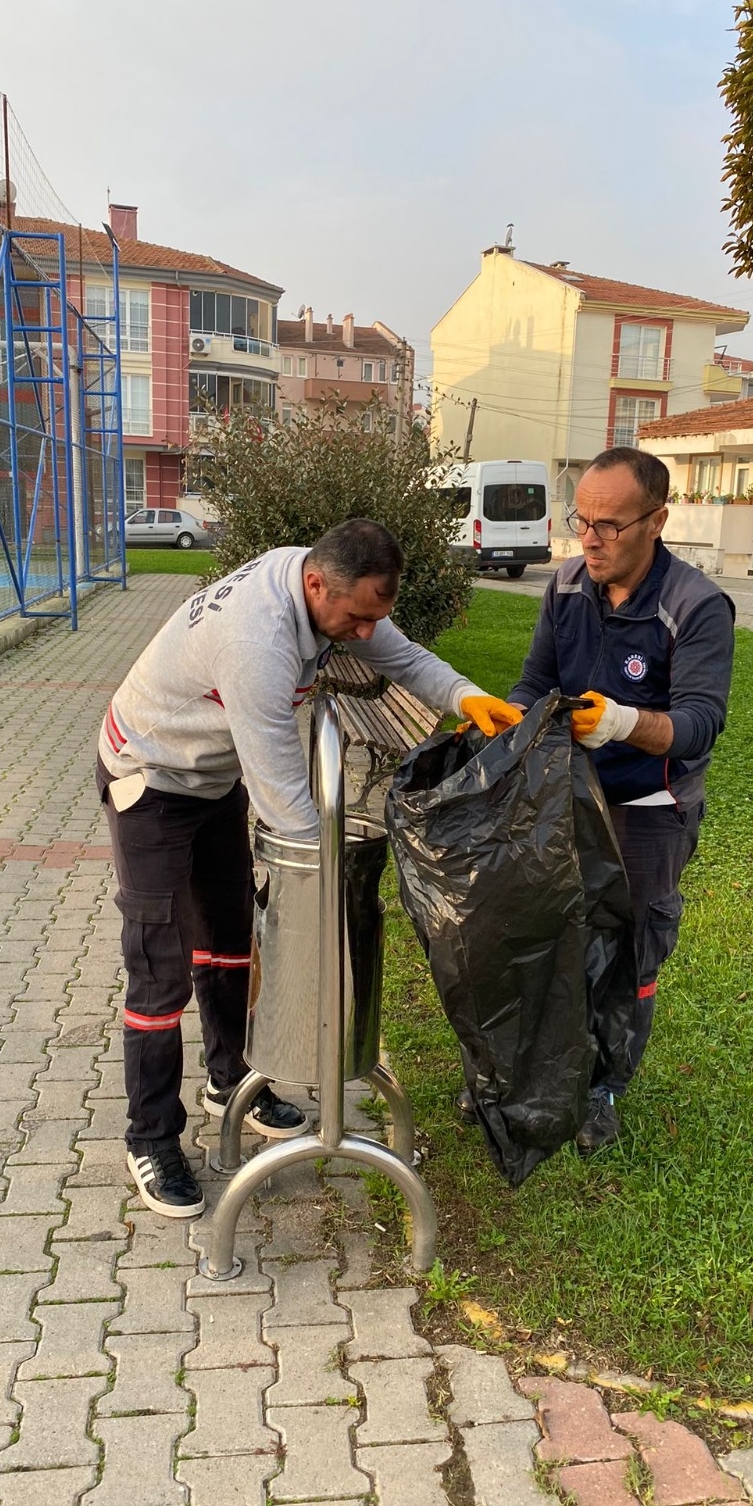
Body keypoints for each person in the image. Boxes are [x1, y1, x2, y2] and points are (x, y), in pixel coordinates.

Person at [98, 518, 521, 1218]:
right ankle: (151, 1137)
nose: (361, 634)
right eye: (355, 618)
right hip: (148, 777)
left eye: (372, 618)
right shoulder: (256, 642)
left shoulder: (325, 582)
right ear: (318, 585)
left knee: (231, 940)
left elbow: (404, 657)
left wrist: (467, 697)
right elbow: (285, 799)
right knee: (159, 968)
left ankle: (231, 1078)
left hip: (209, 779)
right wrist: (335, 890)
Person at [507, 446, 734, 1152]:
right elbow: (534, 680)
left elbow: (700, 724)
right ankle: (540, 1076)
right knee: (551, 940)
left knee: (631, 952)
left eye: (611, 524)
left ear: (657, 520)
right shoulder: (567, 585)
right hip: (563, 798)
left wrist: (622, 723)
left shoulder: (695, 606)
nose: (592, 539)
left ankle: (606, 1086)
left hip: (648, 812)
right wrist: (510, 723)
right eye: (583, 521)